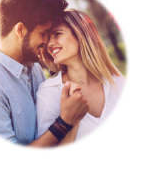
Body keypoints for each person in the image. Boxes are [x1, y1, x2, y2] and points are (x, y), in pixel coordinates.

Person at [0, 0, 90, 146]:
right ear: (20, 30)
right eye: (43, 34)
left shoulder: (33, 67)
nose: (47, 42)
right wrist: (64, 122)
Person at [36, 9, 125, 143]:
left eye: (57, 34)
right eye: (47, 39)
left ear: (80, 34)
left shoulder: (116, 81)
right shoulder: (49, 92)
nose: (50, 44)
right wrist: (71, 121)